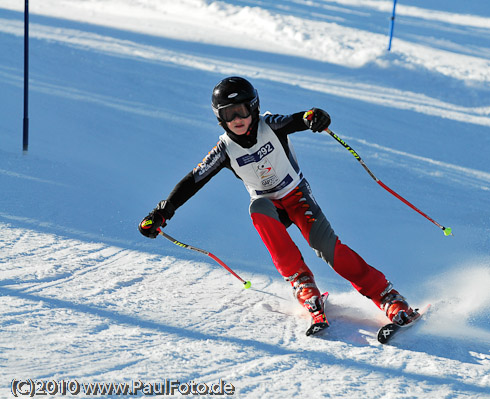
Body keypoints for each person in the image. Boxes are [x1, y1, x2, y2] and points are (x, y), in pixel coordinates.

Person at [139, 76, 417, 330]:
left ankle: (387, 296)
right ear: (219, 118)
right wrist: (163, 212)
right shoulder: (224, 149)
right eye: (228, 113)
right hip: (269, 206)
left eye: (242, 111)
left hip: (296, 196)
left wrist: (315, 117)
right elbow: (193, 180)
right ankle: (302, 282)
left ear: (254, 108)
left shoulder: (268, 124)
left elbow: (298, 119)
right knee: (257, 208)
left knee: (329, 249)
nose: (237, 119)